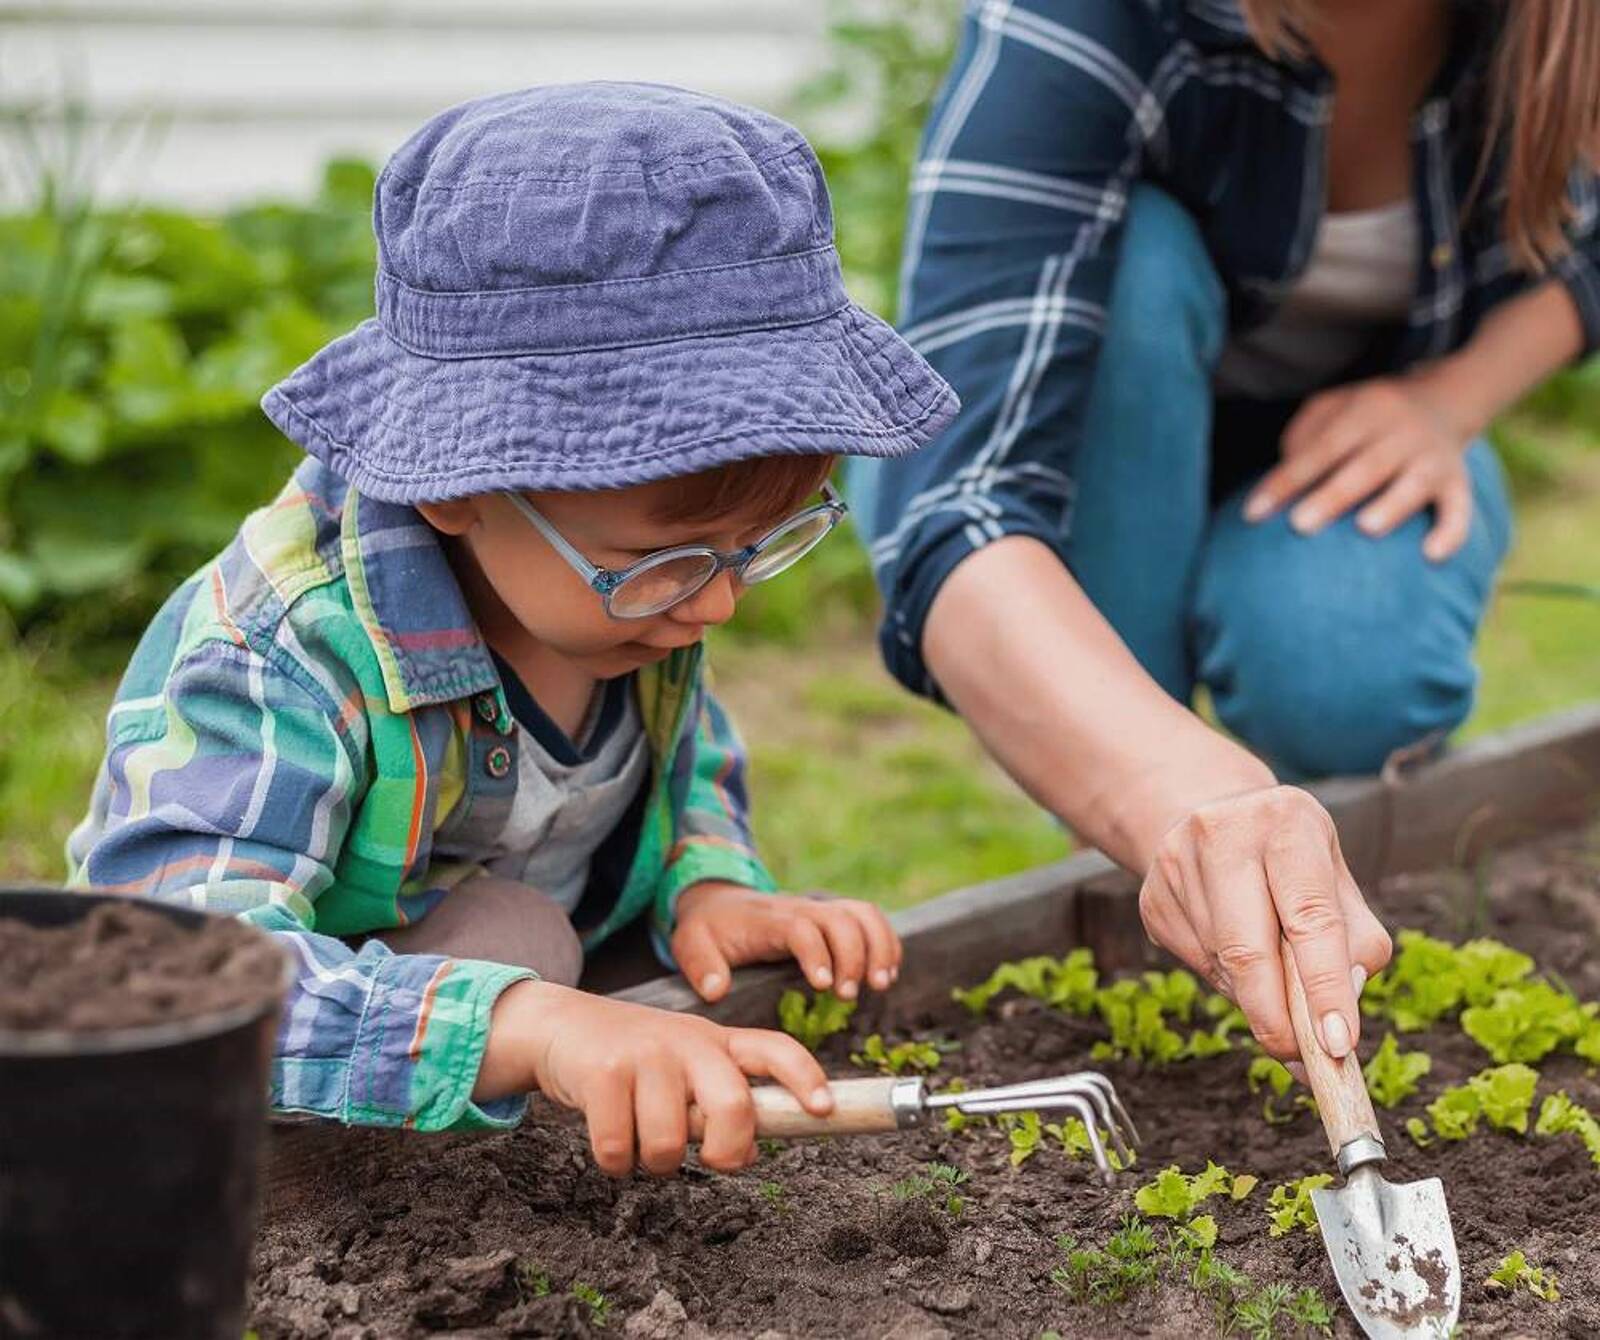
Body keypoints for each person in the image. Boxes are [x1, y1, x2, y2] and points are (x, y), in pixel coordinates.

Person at [67, 83, 959, 1176]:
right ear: (456, 485)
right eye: (666, 564)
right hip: (283, 1086)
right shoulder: (275, 656)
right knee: (517, 945)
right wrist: (530, 1026)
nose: (717, 604)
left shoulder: (625, 595)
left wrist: (709, 885)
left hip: (532, 947)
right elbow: (184, 974)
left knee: (576, 955)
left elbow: (685, 757)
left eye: (760, 546)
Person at [855, 0, 1599, 1066]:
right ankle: (1119, 872)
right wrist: (1179, 792)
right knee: (1137, 260)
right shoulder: (1081, 23)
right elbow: (954, 494)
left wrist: (1451, 398)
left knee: (1346, 683)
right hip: (1088, 444)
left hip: (1326, 453)